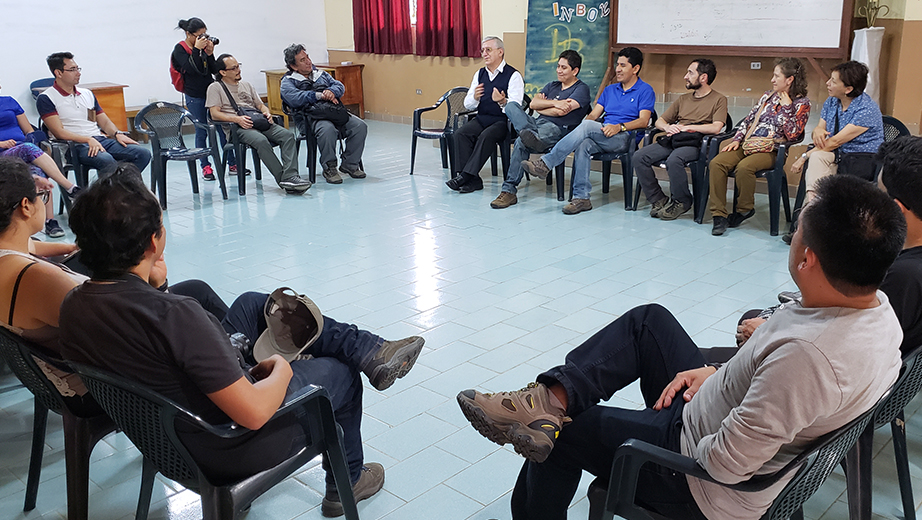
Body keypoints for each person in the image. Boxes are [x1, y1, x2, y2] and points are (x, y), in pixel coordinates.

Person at [457, 174, 905, 520]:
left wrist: (689, 416)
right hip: (710, 410)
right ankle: (544, 399)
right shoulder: (876, 310)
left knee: (565, 430)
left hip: (695, 475)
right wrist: (715, 377)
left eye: (799, 231)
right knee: (648, 322)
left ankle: (546, 420)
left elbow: (726, 464)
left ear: (807, 259)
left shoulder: (809, 359)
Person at [58, 171, 427, 517]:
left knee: (253, 303)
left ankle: (369, 348)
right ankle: (347, 479)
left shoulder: (73, 306)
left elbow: (145, 338)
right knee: (340, 373)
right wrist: (282, 371)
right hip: (225, 444)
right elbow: (252, 413)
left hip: (161, 434)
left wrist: (158, 286)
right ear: (154, 241)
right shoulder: (175, 315)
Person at [0, 159, 226, 417]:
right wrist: (159, 288)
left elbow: (32, 247)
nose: (44, 200)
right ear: (26, 206)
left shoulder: (8, 256)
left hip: (67, 369)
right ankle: (233, 366)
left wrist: (70, 248)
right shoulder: (41, 280)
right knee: (220, 304)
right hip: (104, 388)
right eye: (41, 196)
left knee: (197, 290)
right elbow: (136, 328)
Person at [739, 136, 922, 355]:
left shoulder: (904, 277)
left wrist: (767, 333)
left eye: (878, 192)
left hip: (825, 363)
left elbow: (845, 350)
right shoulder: (903, 262)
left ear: (896, 210)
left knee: (747, 323)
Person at [521, 47, 655, 215]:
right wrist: (588, 126)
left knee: (585, 126)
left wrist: (619, 127)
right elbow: (593, 115)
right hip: (603, 133)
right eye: (617, 64)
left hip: (624, 137)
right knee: (584, 142)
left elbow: (644, 121)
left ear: (635, 69)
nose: (618, 69)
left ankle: (546, 163)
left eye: (623, 65)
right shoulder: (610, 90)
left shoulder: (645, 90)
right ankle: (581, 198)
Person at [708, 57, 811, 236]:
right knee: (717, 163)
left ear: (789, 80)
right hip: (749, 143)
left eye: (776, 76)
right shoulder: (767, 96)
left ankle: (744, 209)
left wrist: (787, 107)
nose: (772, 80)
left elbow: (794, 134)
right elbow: (748, 120)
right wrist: (736, 140)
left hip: (772, 149)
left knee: (744, 167)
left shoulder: (802, 104)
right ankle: (719, 215)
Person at [489, 50, 591, 209]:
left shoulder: (581, 89)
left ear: (575, 70)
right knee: (511, 106)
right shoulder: (552, 85)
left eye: (563, 68)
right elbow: (533, 104)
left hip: (557, 129)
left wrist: (546, 105)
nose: (559, 70)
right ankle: (528, 134)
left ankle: (508, 191)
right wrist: (556, 103)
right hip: (537, 123)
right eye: (558, 66)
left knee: (521, 143)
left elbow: (561, 112)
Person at [633, 59, 728, 221]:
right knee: (639, 156)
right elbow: (659, 121)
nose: (685, 77)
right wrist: (668, 127)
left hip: (696, 142)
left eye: (690, 73)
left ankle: (682, 200)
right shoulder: (683, 99)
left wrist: (689, 128)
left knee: (674, 160)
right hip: (675, 139)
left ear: (703, 77)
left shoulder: (719, 99)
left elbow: (716, 127)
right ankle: (658, 199)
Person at [206, 54, 312, 194]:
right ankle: (285, 180)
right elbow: (214, 113)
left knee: (287, 136)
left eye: (239, 66)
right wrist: (237, 119)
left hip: (258, 122)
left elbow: (260, 105)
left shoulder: (247, 85)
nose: (238, 70)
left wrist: (266, 112)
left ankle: (290, 176)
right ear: (223, 72)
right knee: (260, 140)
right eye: (234, 68)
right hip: (237, 128)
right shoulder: (215, 87)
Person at [36, 52, 152, 179]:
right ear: (58, 73)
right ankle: (111, 194)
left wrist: (117, 134)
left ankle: (117, 190)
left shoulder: (87, 94)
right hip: (74, 145)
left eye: (78, 68)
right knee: (106, 160)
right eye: (72, 70)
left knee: (143, 153)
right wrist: (87, 139)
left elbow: (105, 122)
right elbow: (59, 132)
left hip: (99, 140)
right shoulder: (46, 98)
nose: (78, 73)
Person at [280, 44, 368, 184]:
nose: (308, 61)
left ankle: (349, 164)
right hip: (310, 118)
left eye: (307, 57)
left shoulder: (320, 74)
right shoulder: (288, 81)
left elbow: (339, 86)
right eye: (303, 60)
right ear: (293, 66)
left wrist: (332, 92)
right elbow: (294, 98)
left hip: (333, 112)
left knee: (360, 126)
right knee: (327, 129)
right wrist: (319, 95)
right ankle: (329, 167)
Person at [446, 36, 524, 194]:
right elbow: (468, 104)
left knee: (486, 136)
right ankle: (473, 179)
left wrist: (503, 101)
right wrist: (474, 98)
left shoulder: (513, 75)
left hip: (503, 122)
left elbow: (516, 106)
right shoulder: (479, 74)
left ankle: (465, 176)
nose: (484, 54)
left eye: (488, 50)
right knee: (461, 133)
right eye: (482, 50)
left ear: (500, 52)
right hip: (482, 118)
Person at [1, 83, 79, 237]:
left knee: (38, 170)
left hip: (21, 149)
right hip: (3, 153)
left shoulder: (9, 101)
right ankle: (70, 187)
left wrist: (31, 137)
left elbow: (28, 130)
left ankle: (48, 221)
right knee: (28, 149)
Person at [171, 17, 239, 181]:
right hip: (195, 96)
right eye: (199, 35)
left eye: (205, 34)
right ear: (188, 34)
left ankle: (232, 163)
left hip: (211, 93)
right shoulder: (179, 50)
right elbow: (190, 69)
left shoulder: (202, 47)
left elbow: (213, 70)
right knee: (202, 130)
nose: (203, 38)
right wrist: (196, 50)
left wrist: (209, 53)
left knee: (223, 128)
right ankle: (206, 167)